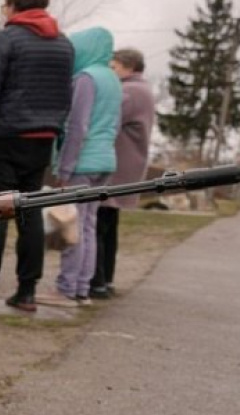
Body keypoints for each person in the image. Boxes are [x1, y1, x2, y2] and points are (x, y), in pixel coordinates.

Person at [0, 0, 74, 313]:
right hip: (43, 137)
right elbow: (65, 95)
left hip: (4, 137)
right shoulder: (63, 44)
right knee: (30, 212)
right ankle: (27, 291)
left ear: (13, 6)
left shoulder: (7, 40)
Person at [38, 27, 120, 308]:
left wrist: (64, 167)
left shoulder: (86, 78)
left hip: (83, 161)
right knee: (87, 226)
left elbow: (77, 126)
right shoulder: (112, 78)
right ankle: (83, 288)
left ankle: (66, 289)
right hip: (105, 160)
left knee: (72, 222)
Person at [89, 47, 154, 300]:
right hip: (129, 163)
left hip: (117, 164)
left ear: (128, 67)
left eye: (114, 67)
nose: (111, 72)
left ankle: (97, 281)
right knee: (109, 224)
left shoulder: (129, 92)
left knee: (99, 223)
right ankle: (106, 279)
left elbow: (106, 118)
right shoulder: (143, 90)